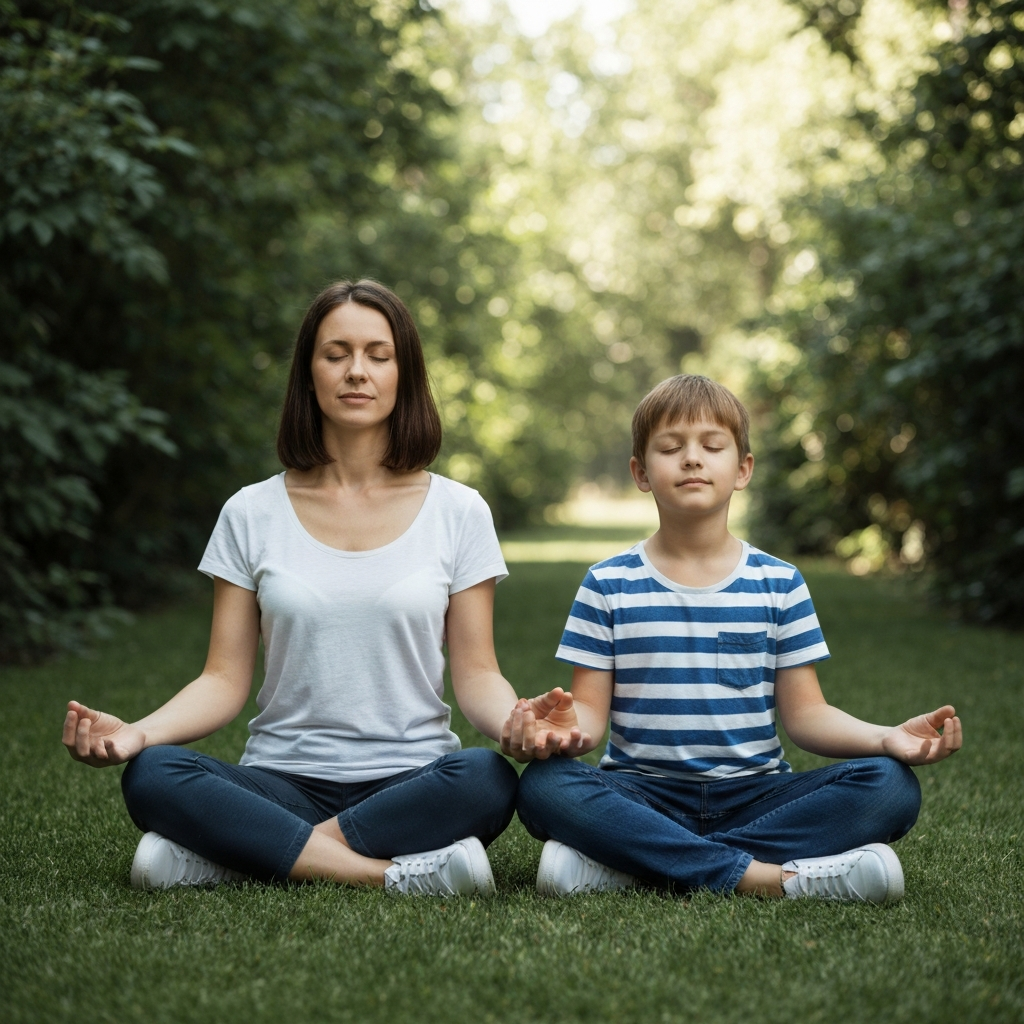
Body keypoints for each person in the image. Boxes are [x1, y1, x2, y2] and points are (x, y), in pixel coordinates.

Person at [62, 279, 522, 896]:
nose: (356, 371)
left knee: (487, 779)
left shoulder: (459, 511)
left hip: (411, 778)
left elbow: (478, 674)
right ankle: (386, 875)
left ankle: (237, 854)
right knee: (152, 773)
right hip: (280, 780)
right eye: (336, 354)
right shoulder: (251, 512)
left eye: (378, 355)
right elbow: (222, 680)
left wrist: (518, 723)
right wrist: (137, 733)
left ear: (404, 375)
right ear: (309, 373)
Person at [505, 374, 962, 901]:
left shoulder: (780, 583)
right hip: (641, 794)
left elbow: (807, 716)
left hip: (756, 796)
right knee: (545, 785)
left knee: (890, 785)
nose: (691, 459)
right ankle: (765, 877)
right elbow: (588, 715)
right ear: (641, 472)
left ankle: (637, 864)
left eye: (712, 446)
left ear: (742, 469)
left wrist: (886, 738)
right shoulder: (607, 584)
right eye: (670, 448)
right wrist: (561, 735)